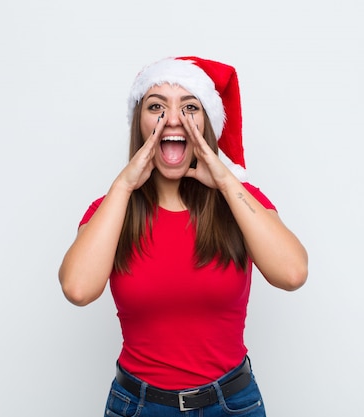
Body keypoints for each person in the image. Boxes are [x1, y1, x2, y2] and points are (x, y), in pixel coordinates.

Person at [59, 56, 308, 416]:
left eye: (190, 107)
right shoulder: (111, 207)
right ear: (139, 125)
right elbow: (78, 290)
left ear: (206, 123)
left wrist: (224, 179)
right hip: (139, 406)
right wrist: (125, 184)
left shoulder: (241, 201)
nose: (172, 119)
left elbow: (292, 273)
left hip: (232, 405)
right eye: (156, 106)